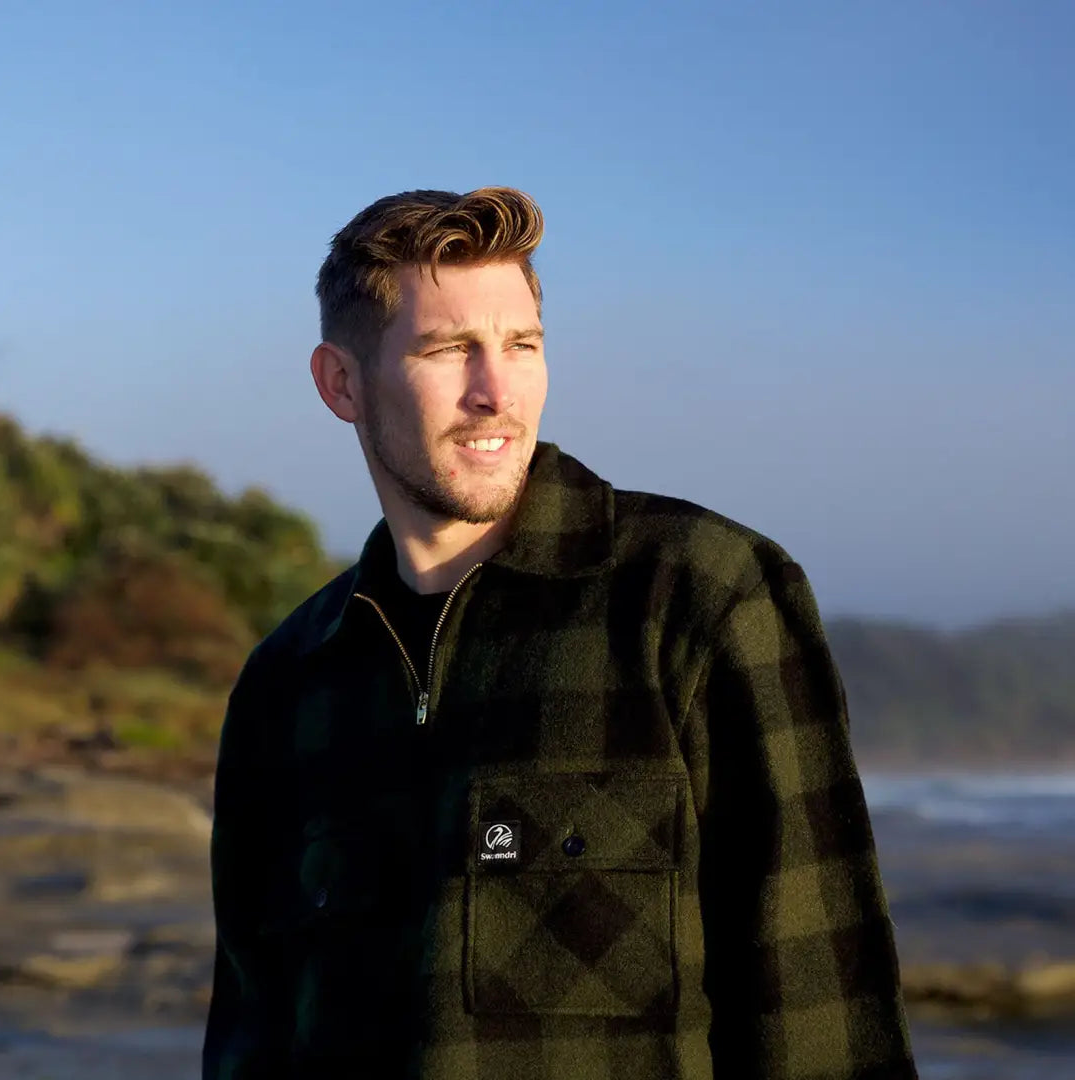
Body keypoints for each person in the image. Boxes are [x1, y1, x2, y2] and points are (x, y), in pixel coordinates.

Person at [203, 187, 917, 1079]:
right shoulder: (289, 681)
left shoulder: (699, 597)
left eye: (522, 346)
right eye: (449, 349)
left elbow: (825, 1019)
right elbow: (250, 1037)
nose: (495, 392)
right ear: (340, 382)